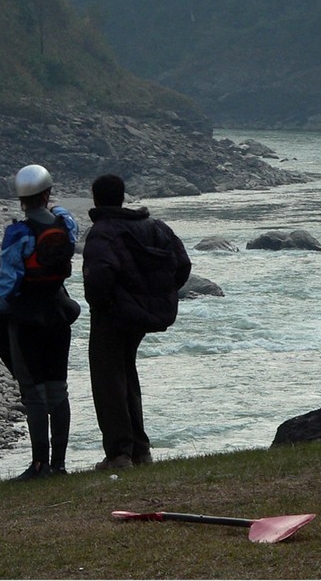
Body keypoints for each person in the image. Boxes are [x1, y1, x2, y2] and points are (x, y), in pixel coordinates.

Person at [0, 164, 80, 481]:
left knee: (34, 393)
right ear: (47, 194)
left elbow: (5, 284)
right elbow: (63, 213)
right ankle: (59, 465)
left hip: (26, 321)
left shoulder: (17, 234)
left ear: (21, 198)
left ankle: (39, 466)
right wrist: (53, 205)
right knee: (58, 390)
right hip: (59, 317)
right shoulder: (66, 225)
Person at [82, 174, 191, 470]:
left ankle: (119, 453)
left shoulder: (103, 231)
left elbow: (99, 277)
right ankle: (140, 450)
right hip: (141, 316)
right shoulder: (153, 227)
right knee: (127, 374)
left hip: (112, 315)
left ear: (96, 199)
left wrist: (105, 304)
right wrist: (158, 295)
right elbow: (182, 264)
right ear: (122, 196)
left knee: (108, 380)